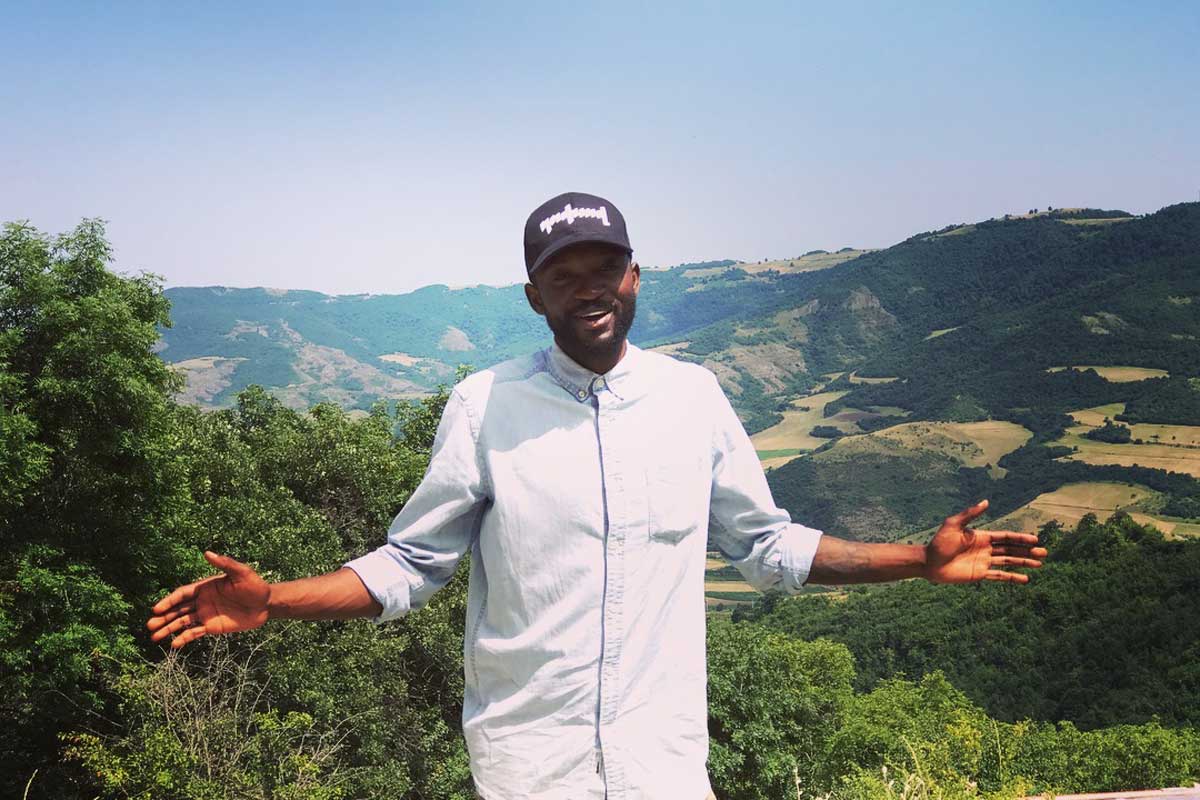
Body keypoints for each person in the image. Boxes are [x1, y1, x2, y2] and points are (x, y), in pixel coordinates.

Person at [148, 192, 1047, 800]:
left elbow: (767, 548)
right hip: (529, 763)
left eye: (605, 267)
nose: (590, 287)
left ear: (635, 277)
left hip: (663, 762)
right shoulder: (484, 406)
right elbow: (412, 562)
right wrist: (277, 601)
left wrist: (916, 563)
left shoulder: (695, 398)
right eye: (565, 273)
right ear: (534, 293)